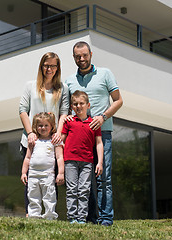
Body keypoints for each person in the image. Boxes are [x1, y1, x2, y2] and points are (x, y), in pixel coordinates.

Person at [65, 41, 123, 226]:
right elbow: (66, 108)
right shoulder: (69, 81)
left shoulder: (105, 73)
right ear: (74, 57)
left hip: (101, 133)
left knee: (103, 178)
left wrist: (103, 117)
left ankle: (106, 219)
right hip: (78, 137)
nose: (81, 59)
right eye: (77, 56)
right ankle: (88, 218)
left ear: (91, 53)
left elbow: (118, 101)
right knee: (83, 180)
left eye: (84, 55)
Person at [19, 52, 69, 215]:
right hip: (32, 142)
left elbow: (63, 112)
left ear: (58, 68)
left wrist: (59, 133)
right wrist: (30, 132)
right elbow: (22, 110)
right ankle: (30, 213)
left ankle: (50, 214)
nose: (50, 69)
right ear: (41, 66)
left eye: (54, 66)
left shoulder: (63, 88)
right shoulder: (30, 86)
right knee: (30, 181)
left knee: (51, 180)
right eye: (47, 65)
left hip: (51, 143)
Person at [61, 90, 104, 224]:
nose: (78, 106)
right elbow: (61, 140)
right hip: (70, 161)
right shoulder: (69, 122)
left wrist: (100, 162)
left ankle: (81, 219)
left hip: (87, 162)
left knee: (84, 190)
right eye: (75, 104)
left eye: (81, 103)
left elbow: (99, 143)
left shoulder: (94, 123)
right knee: (72, 189)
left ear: (88, 105)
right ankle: (72, 217)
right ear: (72, 107)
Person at [21, 112, 64, 219]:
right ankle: (34, 215)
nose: (43, 128)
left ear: (51, 126)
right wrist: (23, 173)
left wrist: (61, 173)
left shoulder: (55, 141)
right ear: (36, 127)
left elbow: (60, 158)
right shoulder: (33, 141)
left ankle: (50, 216)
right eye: (40, 125)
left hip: (48, 175)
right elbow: (27, 158)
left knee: (49, 196)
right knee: (33, 196)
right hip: (33, 175)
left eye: (46, 125)